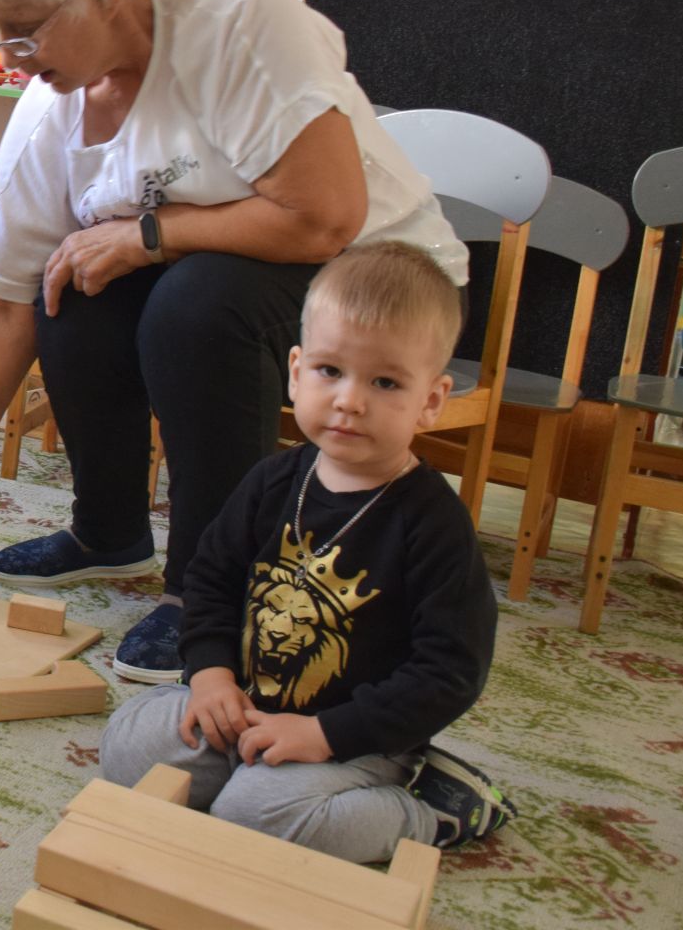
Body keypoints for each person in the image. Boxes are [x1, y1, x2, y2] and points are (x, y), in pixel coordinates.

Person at [0, 0, 467, 683]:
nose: (12, 61)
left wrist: (150, 235)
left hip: (378, 277)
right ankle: (107, 532)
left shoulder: (242, 20)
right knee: (70, 281)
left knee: (196, 308)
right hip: (226, 265)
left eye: (25, 35)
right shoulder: (49, 109)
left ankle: (211, 595)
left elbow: (325, 215)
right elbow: (0, 300)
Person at [95, 243, 509, 860]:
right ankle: (256, 777)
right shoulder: (272, 480)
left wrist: (324, 734)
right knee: (129, 746)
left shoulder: (433, 523)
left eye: (386, 381)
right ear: (295, 371)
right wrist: (209, 675)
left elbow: (449, 672)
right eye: (329, 371)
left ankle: (430, 813)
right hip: (245, 707)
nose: (349, 399)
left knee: (253, 816)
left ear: (430, 400)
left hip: (361, 739)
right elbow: (209, 580)